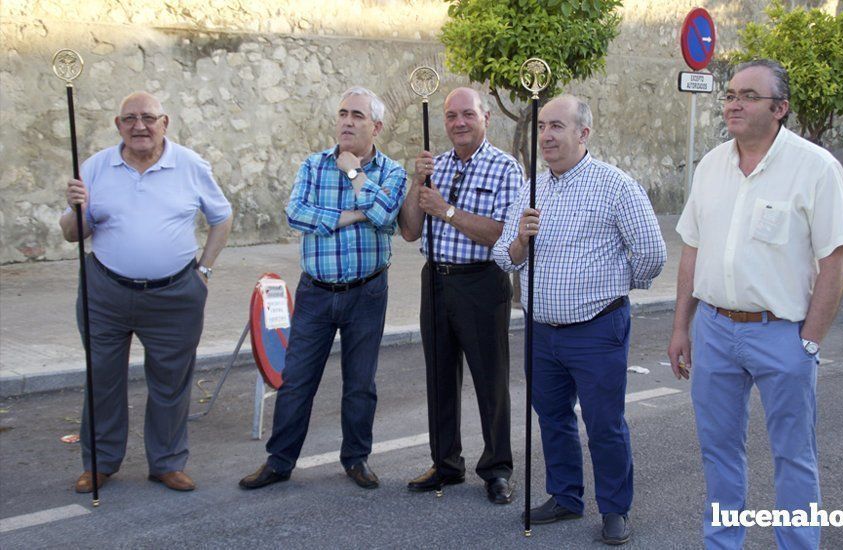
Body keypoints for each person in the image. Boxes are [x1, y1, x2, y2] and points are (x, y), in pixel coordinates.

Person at [667, 59, 843, 549]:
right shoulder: (712, 165)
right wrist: (681, 328)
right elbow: (691, 248)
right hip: (714, 328)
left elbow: (836, 262)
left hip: (782, 333)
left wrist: (809, 342)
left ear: (780, 108)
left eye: (748, 95)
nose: (733, 103)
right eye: (730, 94)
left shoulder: (815, 168)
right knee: (718, 451)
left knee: (794, 455)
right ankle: (723, 543)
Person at [492, 94, 666, 545]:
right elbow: (503, 257)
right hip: (541, 331)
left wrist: (611, 284)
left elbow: (651, 253)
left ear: (583, 133)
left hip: (596, 329)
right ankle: (566, 496)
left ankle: (615, 508)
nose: (546, 135)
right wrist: (520, 244)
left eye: (557, 126)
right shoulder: (532, 188)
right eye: (542, 126)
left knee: (604, 423)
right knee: (551, 416)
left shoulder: (616, 186)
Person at [60, 91, 233, 493]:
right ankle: (100, 463)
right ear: (118, 125)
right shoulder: (96, 167)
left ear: (164, 122)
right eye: (130, 118)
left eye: (149, 118)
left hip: (175, 294)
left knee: (171, 382)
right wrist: (74, 210)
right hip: (104, 292)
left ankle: (167, 462)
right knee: (102, 378)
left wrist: (204, 270)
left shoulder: (189, 165)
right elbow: (73, 234)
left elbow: (221, 218)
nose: (140, 126)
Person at [239, 87, 406, 491]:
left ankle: (356, 458)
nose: (347, 121)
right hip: (315, 291)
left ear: (376, 126)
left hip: (367, 292)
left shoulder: (393, 171)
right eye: (343, 113)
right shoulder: (313, 166)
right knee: (296, 380)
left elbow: (386, 217)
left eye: (357, 116)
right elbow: (296, 214)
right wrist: (354, 213)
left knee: (361, 383)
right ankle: (279, 461)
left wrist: (353, 173)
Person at [398, 88, 522, 504]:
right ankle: (446, 463)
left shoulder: (505, 168)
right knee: (439, 377)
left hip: (481, 282)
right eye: (451, 116)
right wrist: (418, 184)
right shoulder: (436, 167)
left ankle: (497, 469)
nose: (458, 123)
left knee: (491, 380)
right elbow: (411, 230)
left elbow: (504, 233)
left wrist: (447, 210)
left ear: (485, 117)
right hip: (435, 280)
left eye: (467, 114)